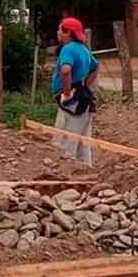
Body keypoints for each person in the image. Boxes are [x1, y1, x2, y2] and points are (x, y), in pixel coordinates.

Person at [51, 17, 99, 166]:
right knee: (83, 145)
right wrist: (84, 85)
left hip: (72, 103)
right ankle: (87, 174)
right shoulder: (83, 49)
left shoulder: (68, 48)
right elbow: (95, 67)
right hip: (82, 99)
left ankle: (66, 178)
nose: (58, 32)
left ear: (68, 33)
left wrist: (66, 93)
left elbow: (65, 71)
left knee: (65, 145)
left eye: (60, 29)